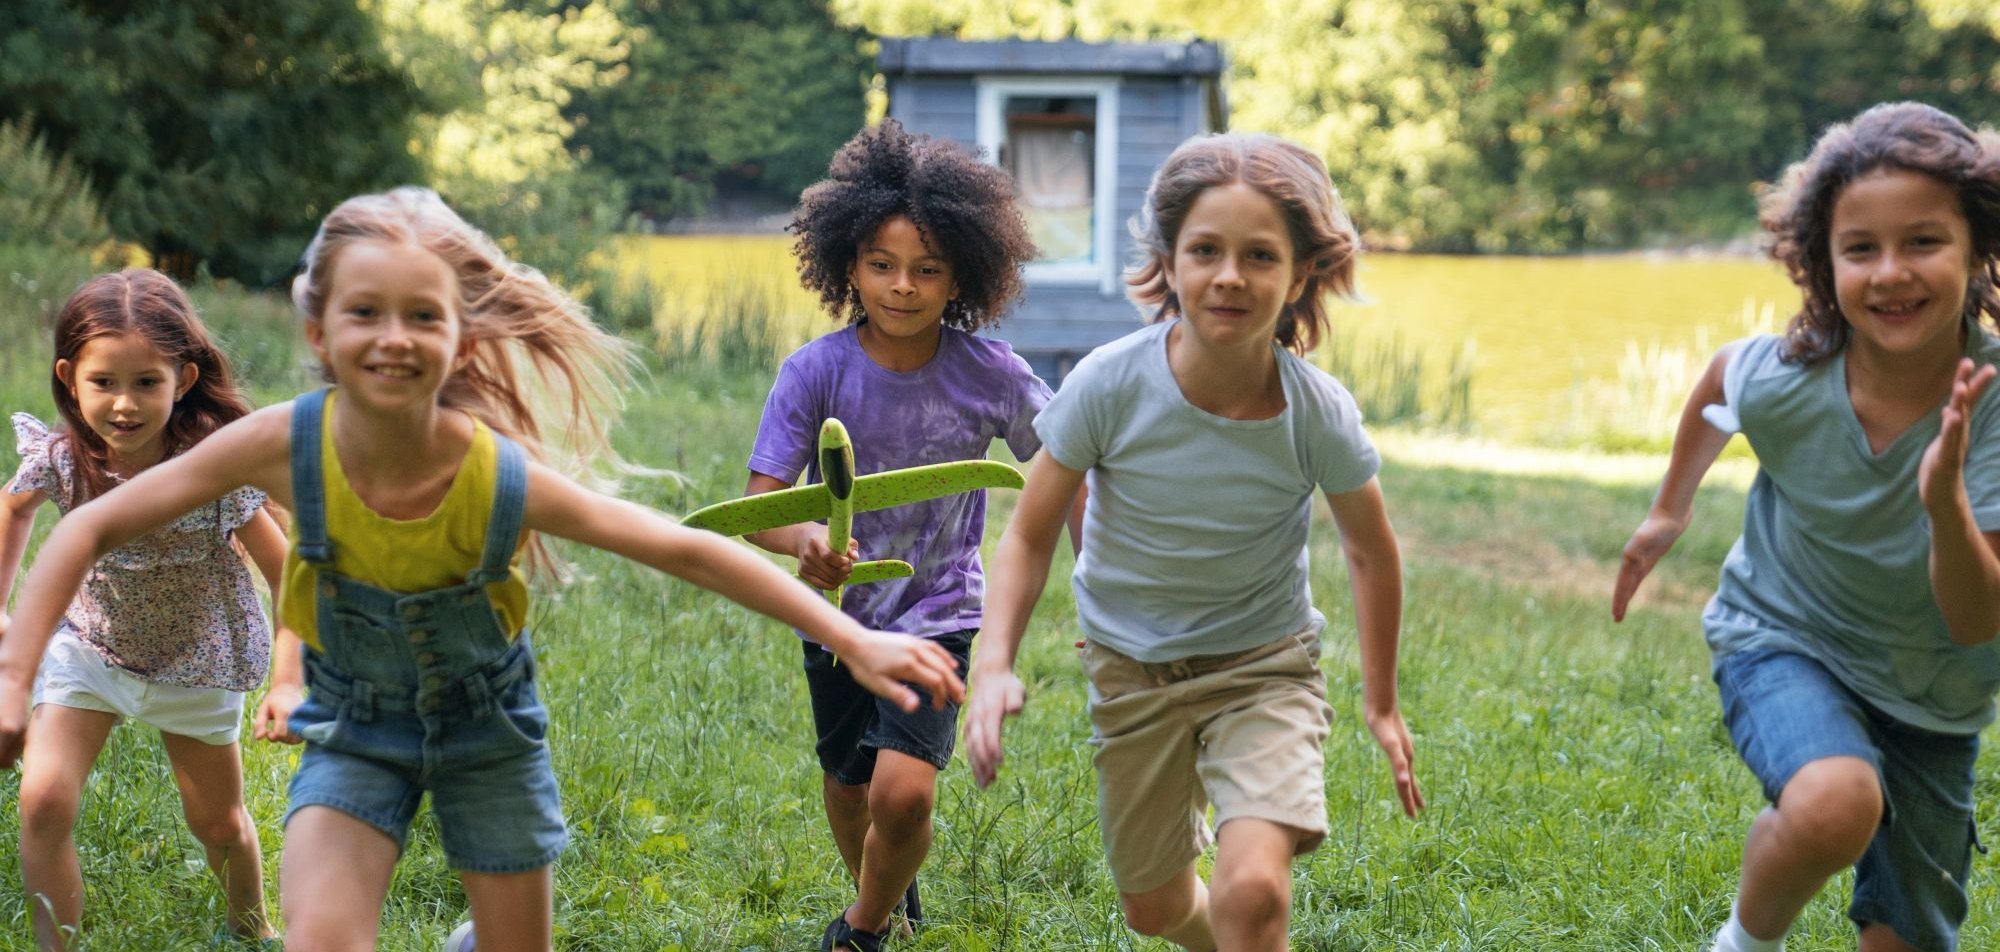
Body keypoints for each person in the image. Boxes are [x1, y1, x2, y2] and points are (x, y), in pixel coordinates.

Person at [0, 187, 967, 952]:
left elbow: (678, 545)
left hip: (488, 736)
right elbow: (84, 533)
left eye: (422, 315)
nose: (392, 336)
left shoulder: (491, 471)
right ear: (318, 332)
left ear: (457, 336)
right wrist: (14, 674)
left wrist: (851, 634)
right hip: (357, 731)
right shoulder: (275, 444)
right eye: (365, 311)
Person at [962, 132, 1425, 952]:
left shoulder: (1315, 412)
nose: (1230, 276)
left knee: (1250, 891)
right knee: (1158, 909)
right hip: (1131, 670)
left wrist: (1381, 702)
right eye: (1205, 250)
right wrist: (993, 664)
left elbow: (1370, 551)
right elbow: (1030, 536)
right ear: (1169, 261)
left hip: (1263, 669)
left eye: (1260, 255)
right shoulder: (1108, 382)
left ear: (1300, 274)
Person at [1612, 102, 2000, 952]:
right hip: (1785, 635)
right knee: (1835, 802)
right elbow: (1723, 380)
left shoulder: (1996, 401)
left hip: (1937, 696)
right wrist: (1668, 508)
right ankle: (1743, 944)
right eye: (1861, 248)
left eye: (1924, 241)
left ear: (1977, 247)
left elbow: (1978, 621)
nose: (1891, 272)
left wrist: (1944, 504)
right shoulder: (1793, 374)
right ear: (1823, 263)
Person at [737, 119, 1048, 952]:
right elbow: (762, 501)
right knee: (849, 790)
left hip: (940, 613)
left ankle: (862, 930)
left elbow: (1061, 470)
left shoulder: (996, 376)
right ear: (848, 266)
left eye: (927, 270)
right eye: (882, 265)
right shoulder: (815, 372)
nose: (902, 286)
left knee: (902, 795)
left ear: (965, 279)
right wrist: (806, 541)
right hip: (837, 615)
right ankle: (886, 900)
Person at [0, 269, 289, 949]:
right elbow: (13, 509)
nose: (124, 406)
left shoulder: (210, 471)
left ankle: (252, 929)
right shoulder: (64, 459)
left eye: (146, 384)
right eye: (104, 383)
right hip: (91, 648)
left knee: (217, 823)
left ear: (183, 380)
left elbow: (287, 570)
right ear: (70, 378)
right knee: (43, 799)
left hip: (199, 659)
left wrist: (291, 672)